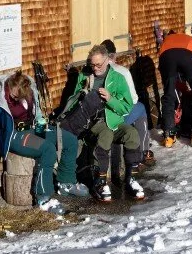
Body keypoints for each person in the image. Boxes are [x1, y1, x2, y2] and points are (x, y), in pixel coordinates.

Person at [0, 71, 88, 213]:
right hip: (15, 135)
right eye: (14, 96)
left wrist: (41, 123)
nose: (16, 98)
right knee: (47, 149)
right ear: (10, 86)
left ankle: (66, 183)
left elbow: (36, 111)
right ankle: (43, 197)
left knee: (70, 140)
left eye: (19, 96)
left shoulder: (30, 88)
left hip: (33, 128)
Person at [59, 45, 145, 202]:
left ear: (107, 61)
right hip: (93, 123)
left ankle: (130, 179)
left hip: (114, 121)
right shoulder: (85, 76)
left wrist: (110, 99)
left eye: (98, 64)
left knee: (132, 134)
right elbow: (73, 102)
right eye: (92, 64)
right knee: (105, 134)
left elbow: (126, 107)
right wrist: (83, 92)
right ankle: (100, 181)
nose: (95, 68)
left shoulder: (118, 78)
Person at [101, 39, 156, 171]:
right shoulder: (121, 71)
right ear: (114, 55)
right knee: (141, 108)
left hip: (98, 116)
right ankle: (143, 152)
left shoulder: (94, 71)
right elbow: (133, 99)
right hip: (114, 117)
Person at [158, 30, 192, 148]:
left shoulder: (166, 42)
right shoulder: (189, 39)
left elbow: (163, 69)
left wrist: (172, 87)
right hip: (188, 56)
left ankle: (168, 136)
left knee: (168, 95)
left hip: (166, 57)